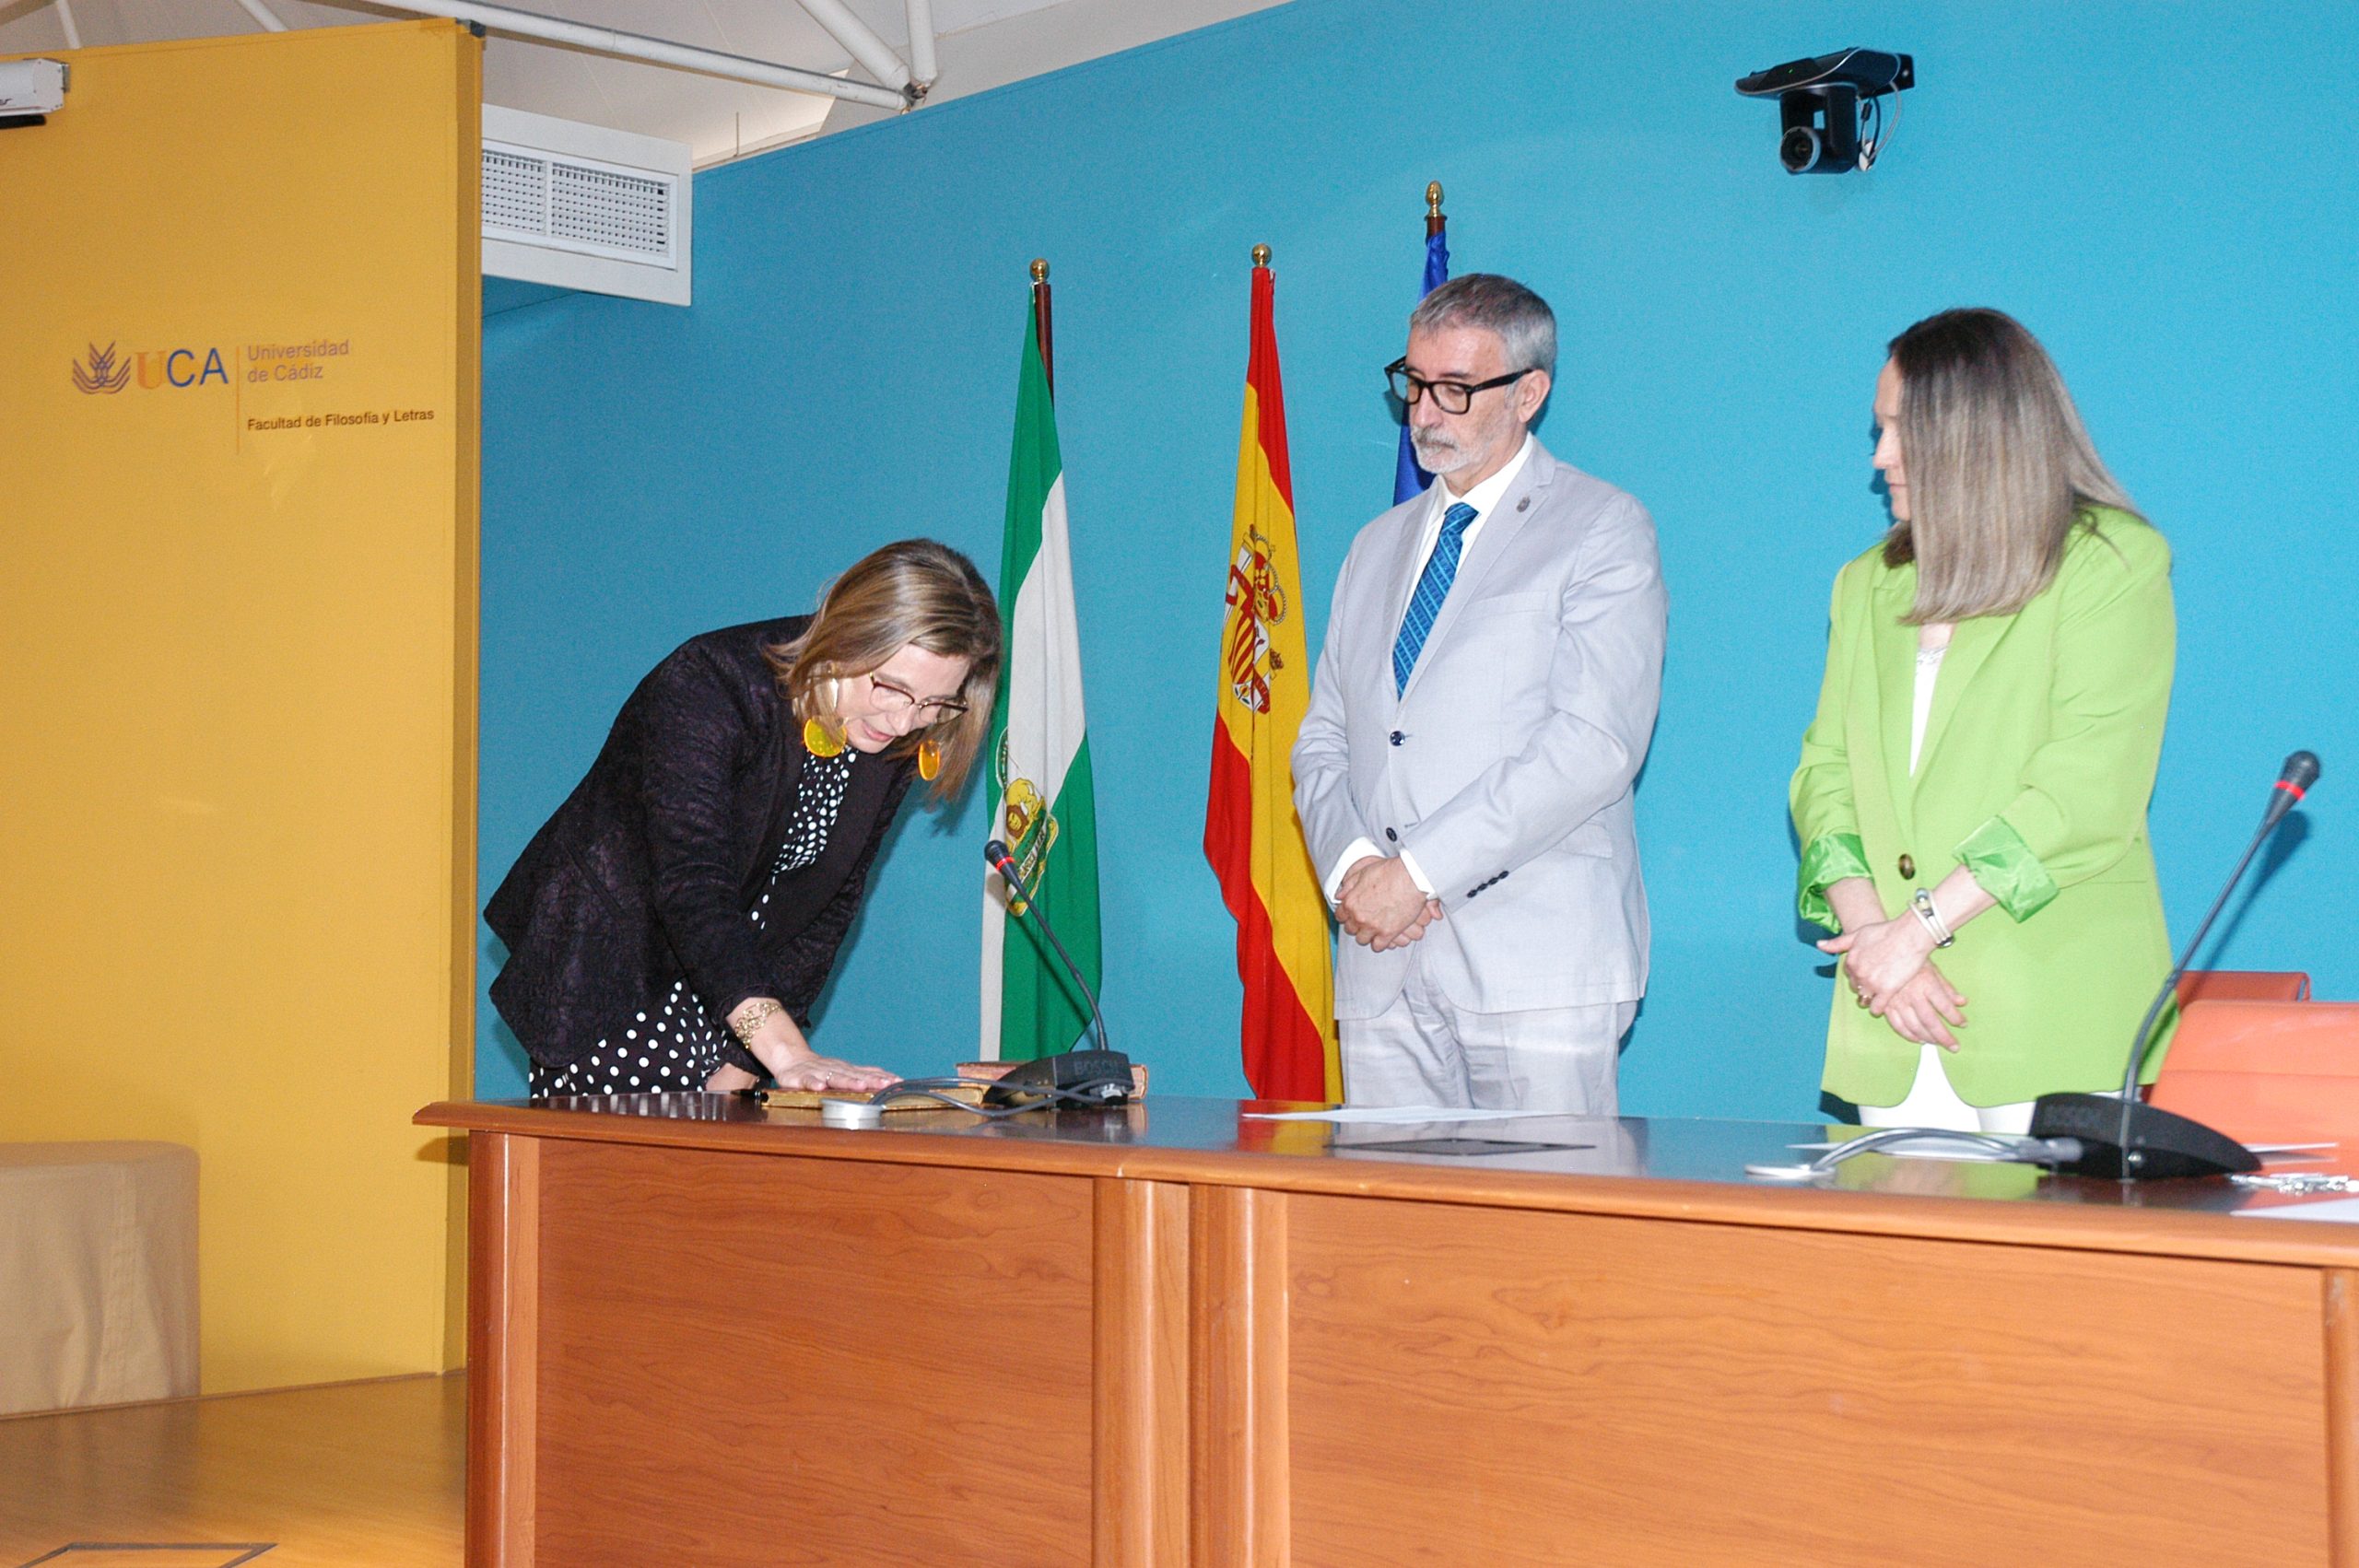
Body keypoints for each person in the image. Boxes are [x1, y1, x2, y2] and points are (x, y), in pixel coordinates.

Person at [1790, 308, 2175, 1133]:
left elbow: (2084, 795)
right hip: (1893, 1006)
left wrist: (1916, 932)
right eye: (1880, 430)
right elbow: (1824, 775)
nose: (1880, 456)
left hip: (2055, 1000)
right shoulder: (1867, 583)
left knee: (2052, 1229)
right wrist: (1875, 938)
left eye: (1901, 430)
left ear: (1974, 435)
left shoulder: (2109, 565)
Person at [1292, 274, 1667, 1114]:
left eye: (1456, 389)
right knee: (1393, 1206)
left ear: (1529, 394)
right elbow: (1323, 738)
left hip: (1537, 963)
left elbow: (1594, 744)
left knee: (1545, 1207)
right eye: (1415, 382)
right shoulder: (1374, 545)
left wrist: (1418, 875)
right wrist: (1356, 871)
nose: (1424, 412)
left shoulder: (1602, 527)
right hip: (1381, 960)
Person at [487, 539, 1000, 1096]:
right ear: (847, 634)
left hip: (745, 989)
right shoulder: (711, 683)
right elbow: (692, 883)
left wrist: (743, 1064)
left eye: (934, 703)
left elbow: (830, 904)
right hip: (617, 967)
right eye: (893, 688)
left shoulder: (892, 730)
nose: (904, 722)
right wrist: (785, 1052)